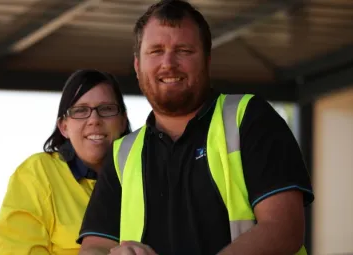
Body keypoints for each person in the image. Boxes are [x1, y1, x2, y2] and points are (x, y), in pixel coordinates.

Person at [77, 1, 314, 255]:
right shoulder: (122, 153)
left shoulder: (250, 118)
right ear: (137, 66)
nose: (168, 63)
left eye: (184, 50)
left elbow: (283, 229)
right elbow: (95, 247)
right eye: (156, 51)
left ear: (207, 60)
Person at [0, 69, 132, 254]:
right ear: (64, 127)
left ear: (122, 121)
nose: (94, 120)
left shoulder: (146, 174)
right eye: (81, 111)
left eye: (106, 109)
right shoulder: (38, 174)